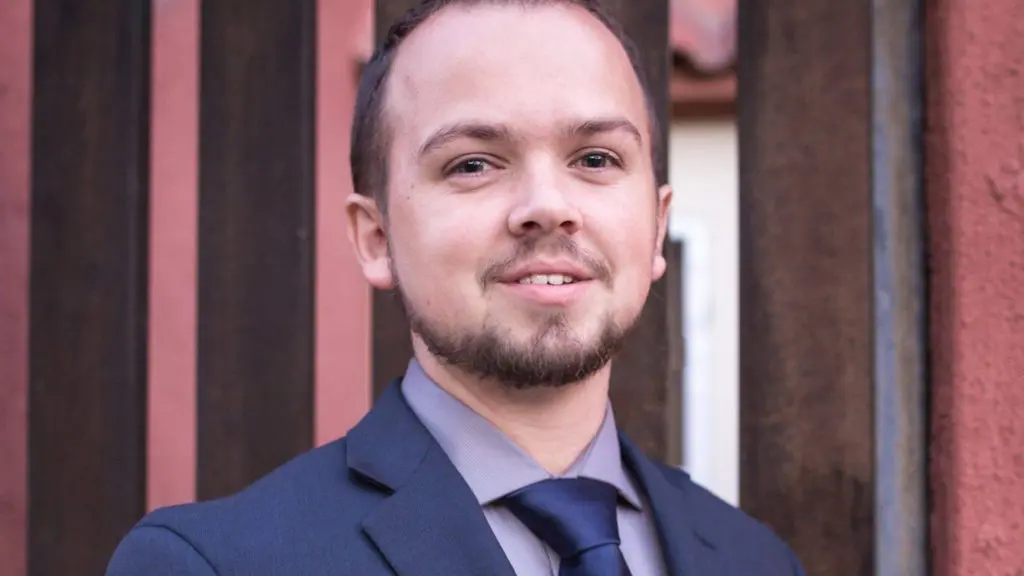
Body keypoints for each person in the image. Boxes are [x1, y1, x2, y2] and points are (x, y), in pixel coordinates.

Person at [108, 0, 805, 574]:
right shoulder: (217, 564)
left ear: (657, 228)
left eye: (595, 158)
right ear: (374, 238)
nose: (547, 205)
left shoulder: (757, 561)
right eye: (473, 164)